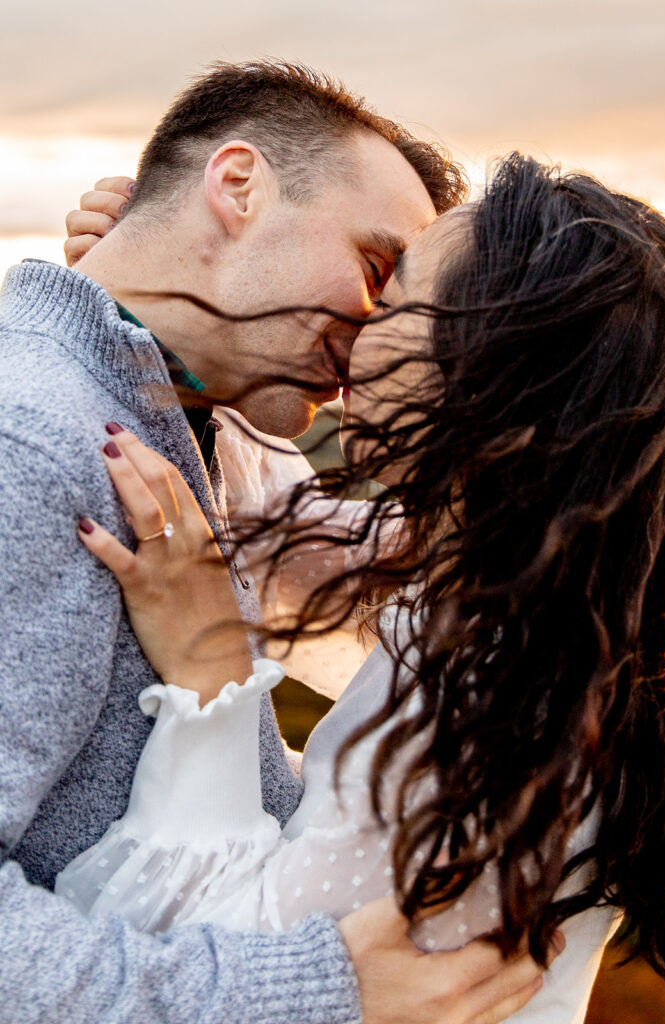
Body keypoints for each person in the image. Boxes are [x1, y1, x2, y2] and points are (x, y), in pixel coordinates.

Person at [56, 154, 665, 1022]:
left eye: (392, 292)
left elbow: (214, 962)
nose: (353, 321)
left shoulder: (497, 713)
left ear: (481, 362)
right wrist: (156, 302)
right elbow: (276, 535)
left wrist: (215, 689)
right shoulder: (533, 603)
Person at [0, 61, 542, 1024]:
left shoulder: (203, 436)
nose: (378, 332)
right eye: (377, 269)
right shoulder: (32, 444)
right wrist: (309, 992)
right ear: (237, 185)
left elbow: (397, 616)